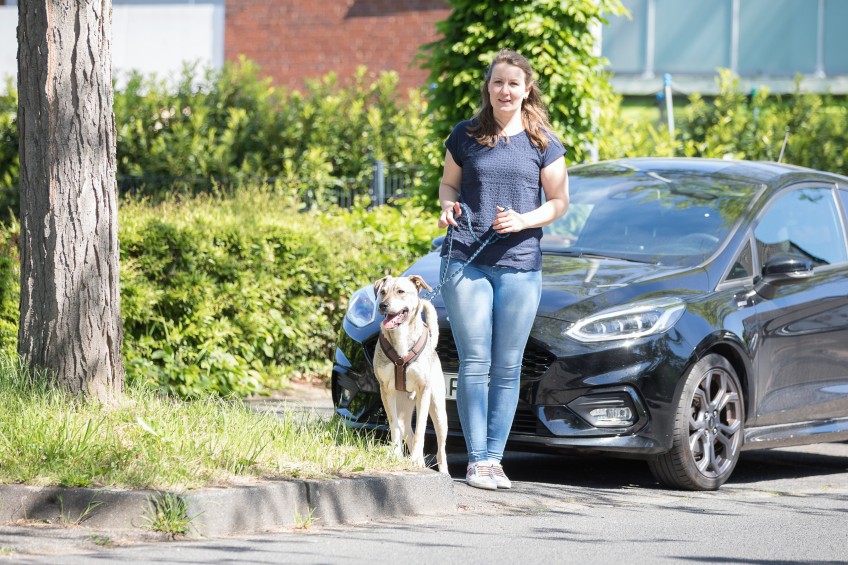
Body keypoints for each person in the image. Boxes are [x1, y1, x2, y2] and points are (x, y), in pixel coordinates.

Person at [437, 49, 569, 490]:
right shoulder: (466, 134)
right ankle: (477, 461)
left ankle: (496, 458)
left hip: (520, 265)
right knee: (475, 362)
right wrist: (446, 206)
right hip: (467, 258)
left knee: (508, 366)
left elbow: (559, 203)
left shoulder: (543, 143)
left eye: (514, 83)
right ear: (488, 88)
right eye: (498, 82)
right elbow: (449, 183)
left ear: (527, 89)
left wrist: (523, 219)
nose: (505, 90)